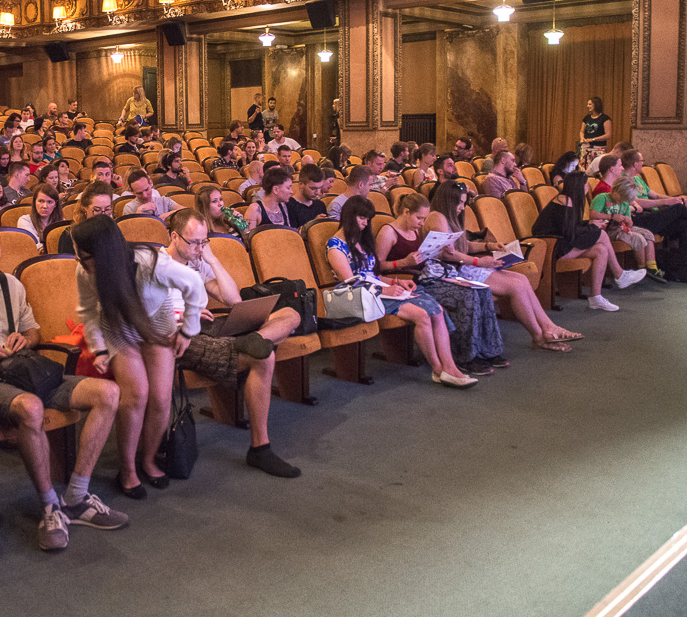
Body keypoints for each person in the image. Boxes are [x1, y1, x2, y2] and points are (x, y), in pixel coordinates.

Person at [0, 222, 127, 550]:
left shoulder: (11, 285)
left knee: (108, 393)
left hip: (25, 371)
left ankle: (77, 497)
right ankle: (50, 505)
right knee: (32, 407)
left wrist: (22, 339)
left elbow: (34, 332)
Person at [73, 215, 207, 497]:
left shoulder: (151, 263)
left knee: (159, 398)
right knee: (136, 397)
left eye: (85, 255)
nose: (81, 260)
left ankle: (147, 460)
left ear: (103, 253)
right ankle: (128, 469)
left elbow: (194, 285)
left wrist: (187, 331)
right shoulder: (85, 271)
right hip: (118, 326)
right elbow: (87, 311)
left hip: (157, 320)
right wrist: (98, 348)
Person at [164, 209, 302, 476]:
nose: (198, 248)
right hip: (181, 338)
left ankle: (257, 339)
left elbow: (233, 300)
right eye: (193, 242)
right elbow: (149, 312)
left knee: (290, 314)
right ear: (174, 236)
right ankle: (260, 449)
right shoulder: (157, 265)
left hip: (207, 327)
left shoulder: (198, 260)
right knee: (265, 357)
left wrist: (212, 259)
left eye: (204, 242)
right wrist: (185, 315)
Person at [327, 196, 476, 389]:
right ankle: (439, 369)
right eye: (362, 218)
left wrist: (397, 281)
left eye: (367, 219)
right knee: (422, 315)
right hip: (360, 296)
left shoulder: (360, 241)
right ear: (349, 216)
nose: (365, 224)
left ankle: (451, 367)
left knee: (437, 310)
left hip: (377, 290)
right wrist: (386, 288)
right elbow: (353, 282)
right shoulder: (335, 245)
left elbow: (372, 275)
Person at [425, 181, 583, 351]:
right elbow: (445, 254)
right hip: (449, 274)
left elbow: (464, 246)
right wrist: (479, 261)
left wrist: (489, 246)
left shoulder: (448, 217)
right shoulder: (437, 217)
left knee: (521, 279)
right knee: (515, 286)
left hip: (461, 267)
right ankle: (539, 336)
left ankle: (549, 327)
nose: (462, 208)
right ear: (449, 201)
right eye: (460, 203)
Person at [376, 193, 504, 375]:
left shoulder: (414, 229)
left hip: (428, 274)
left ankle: (488, 349)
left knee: (480, 290)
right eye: (419, 218)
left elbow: (424, 255)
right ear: (405, 212)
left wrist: (444, 249)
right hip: (409, 280)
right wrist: (402, 263)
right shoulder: (388, 232)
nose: (422, 223)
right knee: (466, 295)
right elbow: (377, 266)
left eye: (424, 218)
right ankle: (465, 356)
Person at [531, 172, 645, 312]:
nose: (587, 187)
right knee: (601, 234)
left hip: (562, 242)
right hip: (552, 247)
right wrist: (592, 227)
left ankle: (596, 298)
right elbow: (569, 232)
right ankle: (620, 274)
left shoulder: (569, 199)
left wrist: (589, 224)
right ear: (579, 186)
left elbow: (571, 227)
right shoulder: (564, 200)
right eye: (586, 184)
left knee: (601, 249)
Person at [622, 149, 687, 269]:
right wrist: (668, 202)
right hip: (644, 217)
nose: (643, 163)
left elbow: (655, 195)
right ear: (635, 164)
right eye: (642, 161)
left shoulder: (638, 179)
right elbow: (638, 203)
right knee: (679, 209)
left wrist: (676, 198)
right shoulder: (624, 181)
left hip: (655, 213)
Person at [590, 177, 666, 284]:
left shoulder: (624, 203)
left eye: (624, 200)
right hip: (609, 229)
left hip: (622, 227)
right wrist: (612, 216)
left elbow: (630, 224)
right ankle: (642, 268)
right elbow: (592, 214)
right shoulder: (602, 198)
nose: (621, 201)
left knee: (648, 234)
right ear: (615, 190)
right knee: (637, 238)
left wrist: (627, 220)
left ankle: (652, 267)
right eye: (620, 198)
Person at [58, 181, 114, 256]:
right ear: (84, 208)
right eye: (97, 210)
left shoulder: (114, 231)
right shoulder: (70, 236)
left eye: (107, 209)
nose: (103, 215)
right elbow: (68, 266)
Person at [16, 184, 63, 249]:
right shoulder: (25, 221)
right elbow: (33, 244)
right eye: (41, 201)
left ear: (55, 204)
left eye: (50, 202)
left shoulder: (62, 222)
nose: (45, 206)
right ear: (35, 202)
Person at [579, 96, 612, 169]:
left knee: (596, 169)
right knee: (584, 169)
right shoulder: (587, 118)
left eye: (590, 104)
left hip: (598, 149)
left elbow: (608, 135)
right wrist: (582, 139)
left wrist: (593, 139)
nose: (588, 106)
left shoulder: (605, 118)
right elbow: (582, 131)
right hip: (586, 148)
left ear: (596, 105)